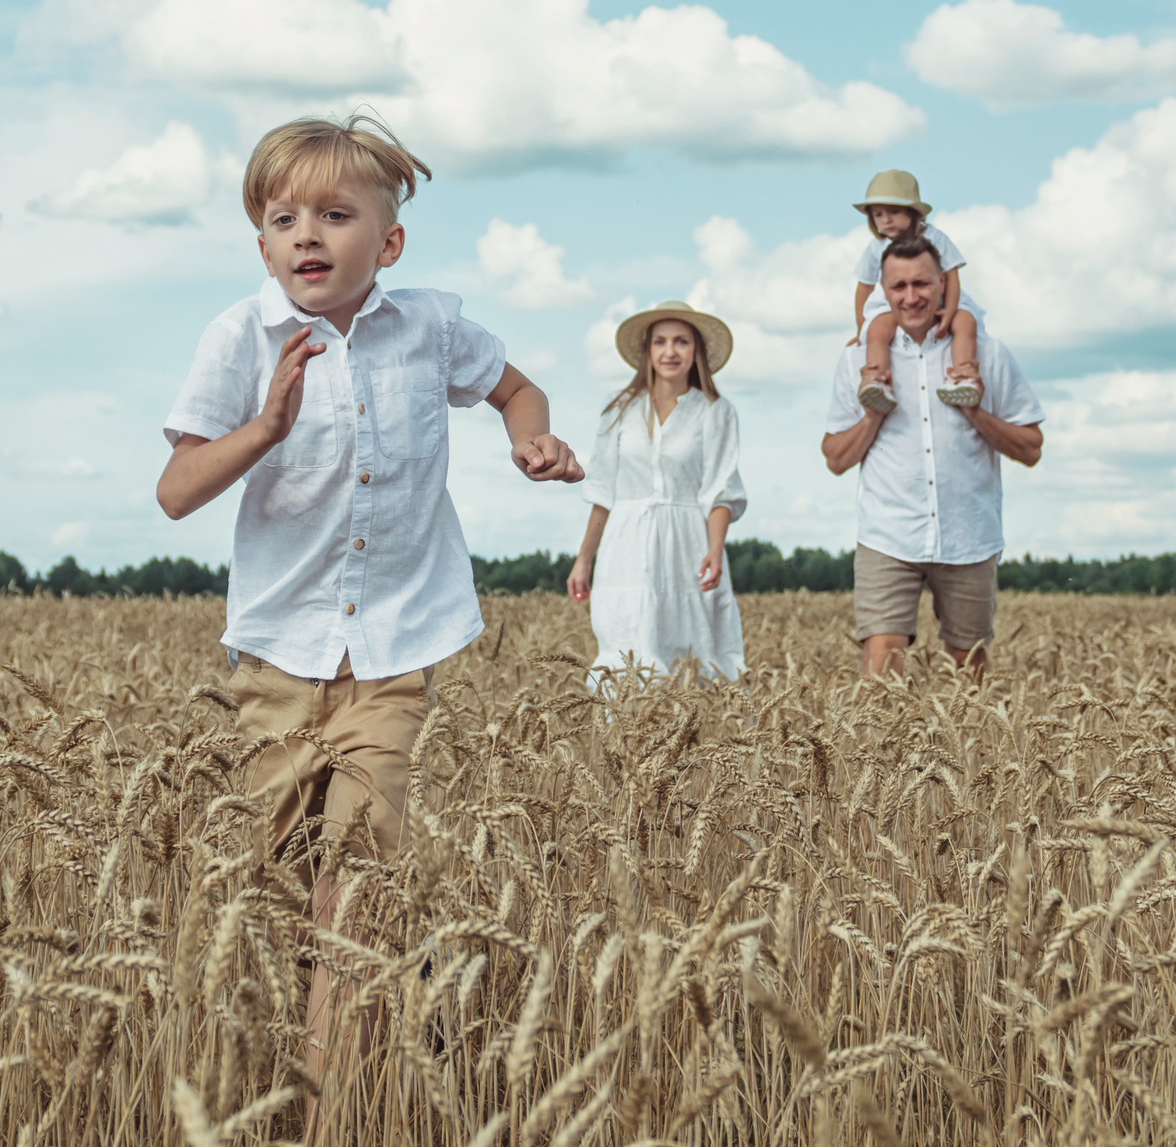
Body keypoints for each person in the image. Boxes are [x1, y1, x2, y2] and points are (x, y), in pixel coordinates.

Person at [156, 112, 582, 1133]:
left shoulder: (429, 327)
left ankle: (340, 1111)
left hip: (391, 654)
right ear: (261, 243)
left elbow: (514, 387)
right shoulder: (237, 338)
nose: (307, 234)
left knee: (350, 899)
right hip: (274, 659)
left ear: (385, 243)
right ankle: (305, 1064)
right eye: (282, 217)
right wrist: (264, 426)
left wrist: (534, 439)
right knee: (278, 892)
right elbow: (176, 489)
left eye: (335, 215)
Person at [823, 234, 1043, 678]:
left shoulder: (988, 355)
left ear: (944, 282)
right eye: (898, 287)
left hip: (968, 535)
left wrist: (974, 411)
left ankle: (970, 749)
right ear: (882, 292)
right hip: (888, 534)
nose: (911, 297)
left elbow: (1031, 447)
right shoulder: (857, 363)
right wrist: (871, 419)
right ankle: (884, 750)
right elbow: (834, 458)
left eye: (921, 284)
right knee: (882, 668)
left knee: (970, 671)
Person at [564, 301, 748, 682]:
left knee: (695, 649)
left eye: (681, 341)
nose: (670, 352)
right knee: (625, 648)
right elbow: (602, 493)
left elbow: (720, 491)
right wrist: (584, 559)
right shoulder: (617, 409)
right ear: (647, 351)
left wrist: (715, 550)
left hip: (688, 543)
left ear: (696, 351)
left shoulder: (716, 411)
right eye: (660, 342)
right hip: (624, 544)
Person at [849, 169, 983, 412]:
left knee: (966, 322)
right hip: (892, 304)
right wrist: (861, 330)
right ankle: (876, 381)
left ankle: (963, 376)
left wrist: (950, 311)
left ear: (913, 213)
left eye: (894, 212)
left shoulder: (935, 237)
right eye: (878, 215)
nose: (886, 220)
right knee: (878, 330)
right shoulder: (876, 246)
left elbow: (951, 275)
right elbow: (864, 286)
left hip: (941, 298)